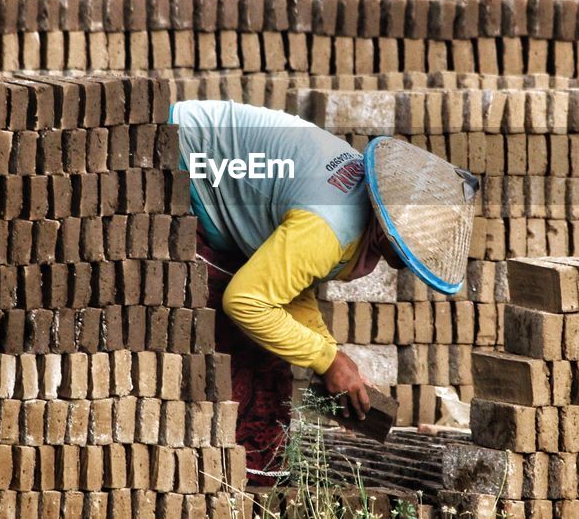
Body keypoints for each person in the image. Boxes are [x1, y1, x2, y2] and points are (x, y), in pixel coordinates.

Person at [168, 100, 479, 480]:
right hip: (174, 161)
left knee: (273, 356)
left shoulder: (353, 203)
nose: (409, 262)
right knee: (244, 356)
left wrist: (331, 356)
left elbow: (289, 282)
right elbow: (246, 301)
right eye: (411, 248)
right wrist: (328, 360)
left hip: (201, 161)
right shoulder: (331, 226)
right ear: (388, 228)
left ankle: (246, 477)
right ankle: (224, 484)